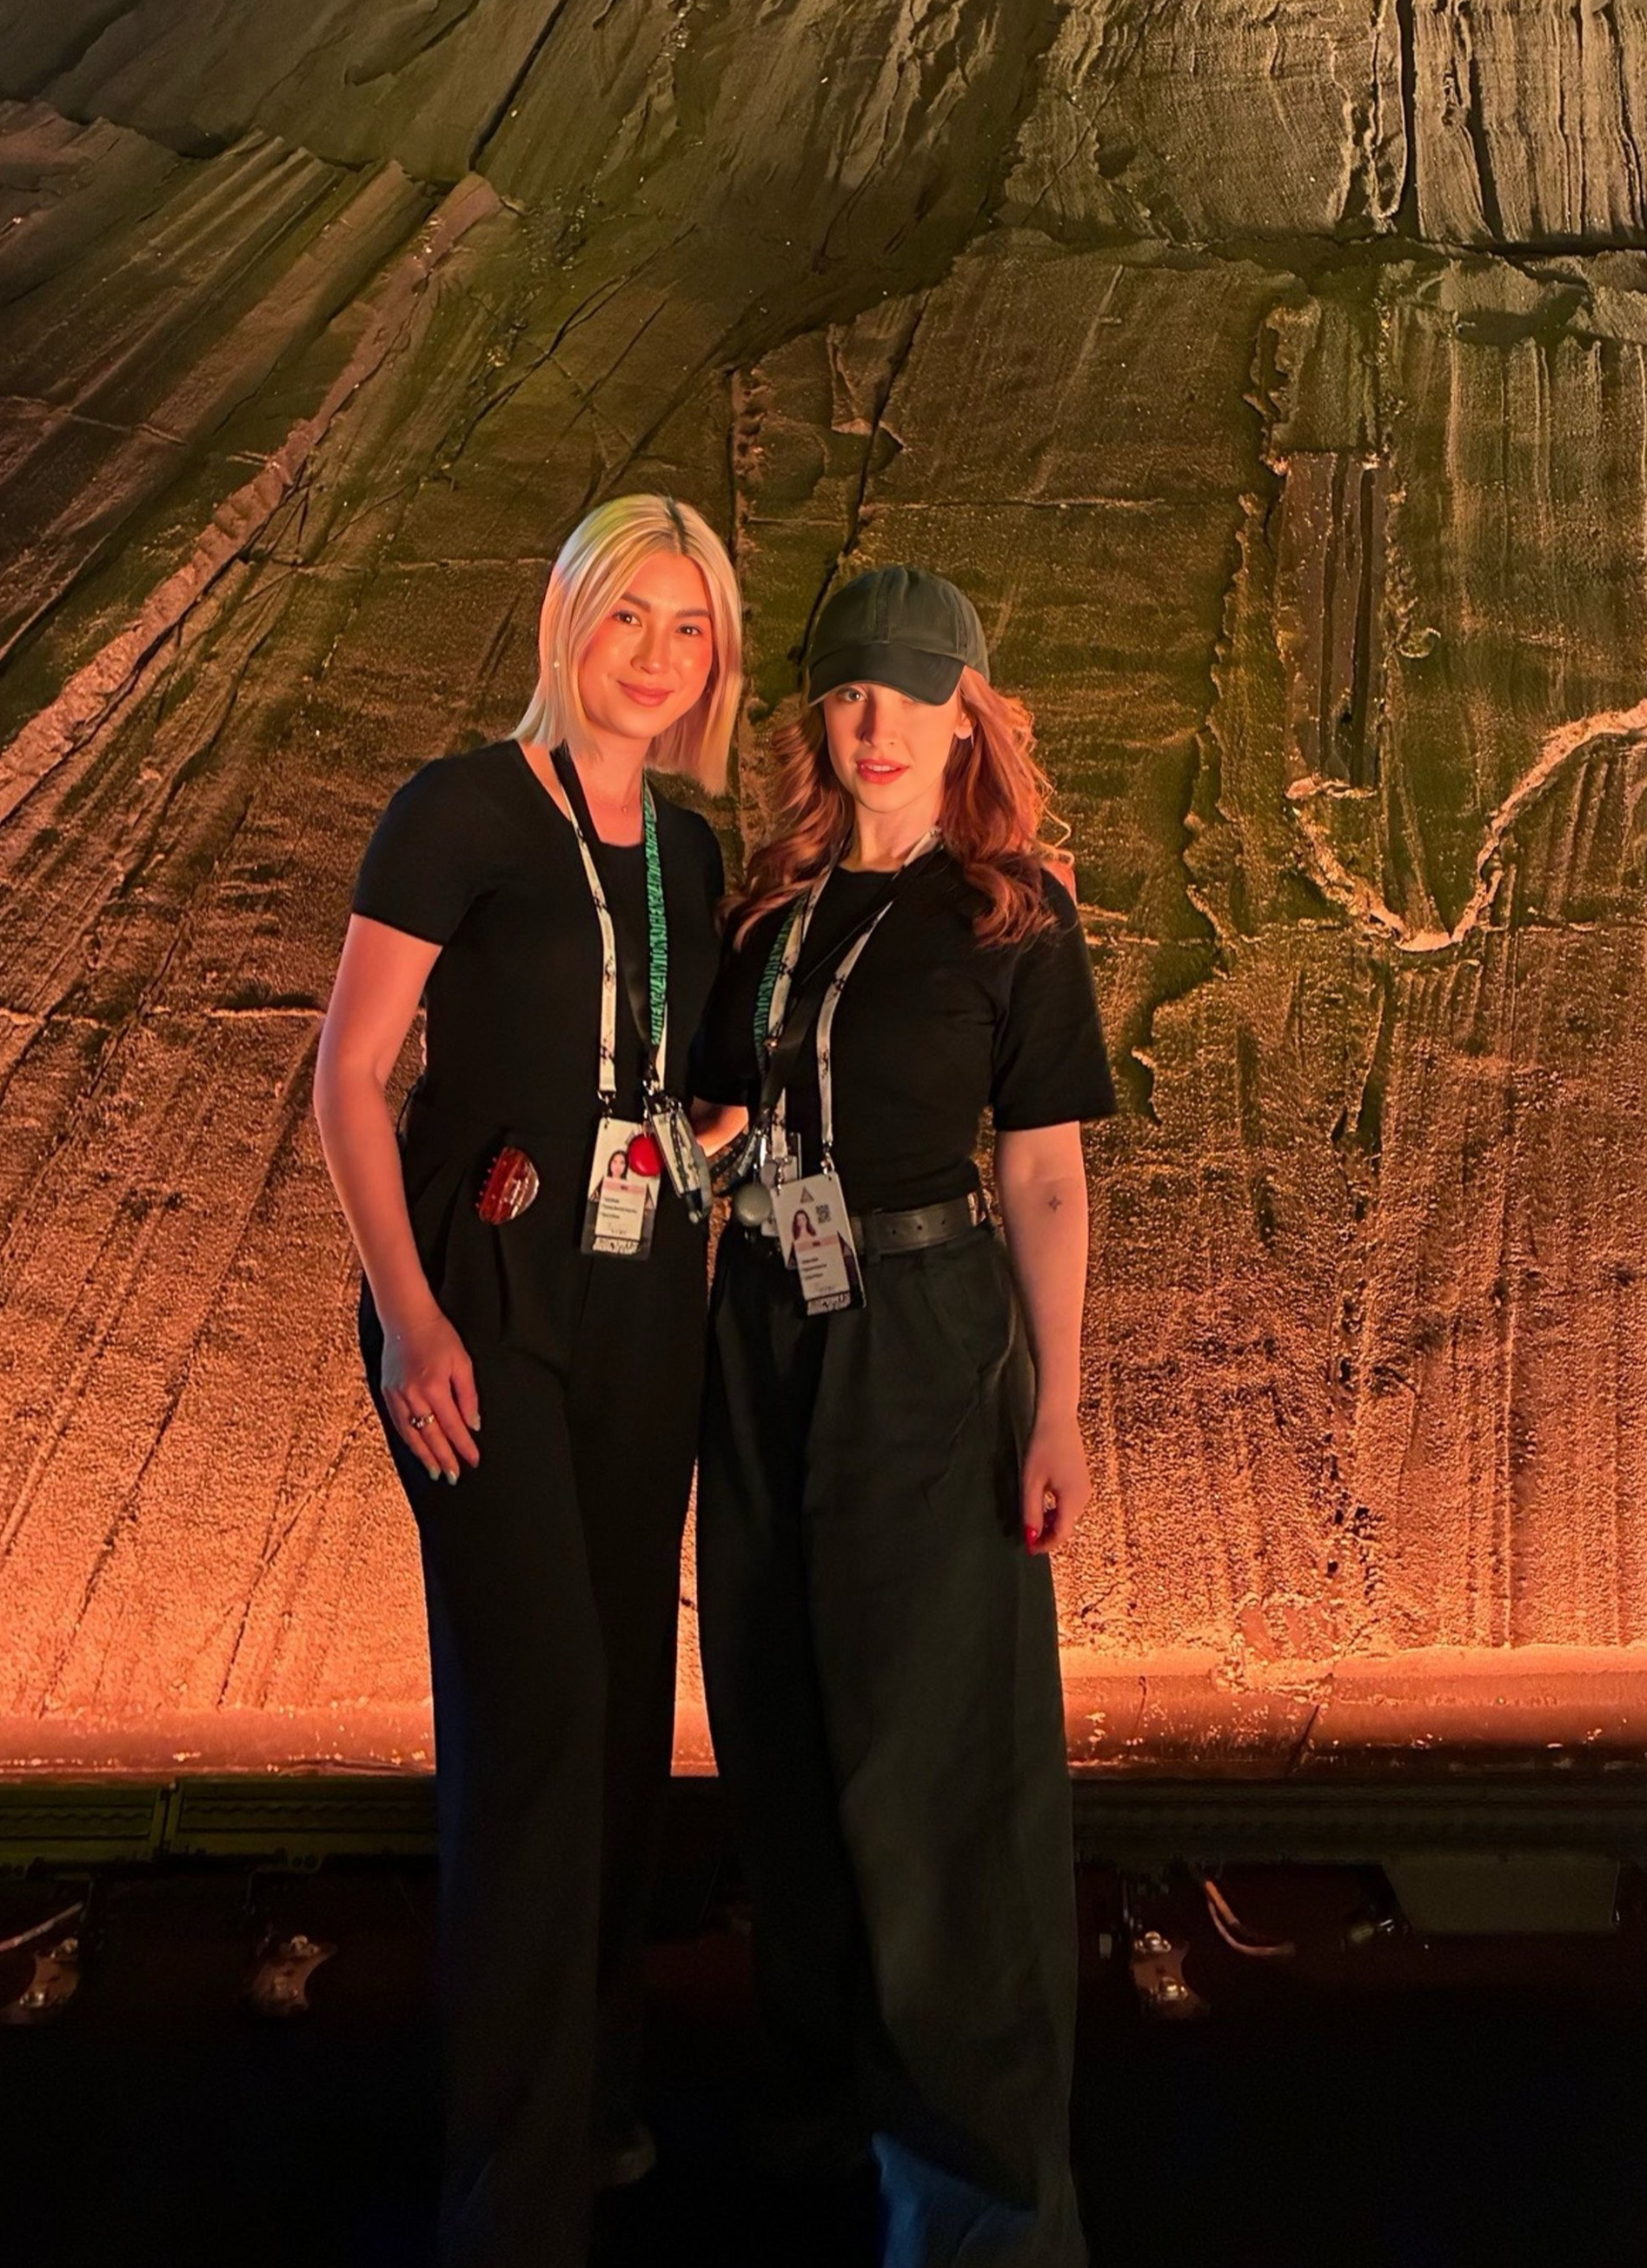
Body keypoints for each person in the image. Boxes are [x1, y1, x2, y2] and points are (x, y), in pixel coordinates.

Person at [312, 493, 743, 2268]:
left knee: (626, 1714)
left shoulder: (696, 850)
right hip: (477, 1292)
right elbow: (348, 1078)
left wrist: (709, 1127)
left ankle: (595, 2101)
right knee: (546, 1710)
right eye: (624, 613)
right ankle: (509, 2199)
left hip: (645, 1295)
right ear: (564, 616)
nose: (652, 653)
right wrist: (410, 1317)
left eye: (689, 625)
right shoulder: (463, 810)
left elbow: (675, 1063)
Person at [692, 564, 1116, 2266]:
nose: (875, 727)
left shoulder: (1009, 910)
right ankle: (832, 2137)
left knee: (936, 1759)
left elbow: (1043, 1171)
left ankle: (980, 2204)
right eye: (849, 694)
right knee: (784, 1726)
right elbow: (724, 1111)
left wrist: (1061, 1403)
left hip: (929, 1334)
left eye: (910, 696)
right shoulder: (774, 906)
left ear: (967, 711)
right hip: (763, 1325)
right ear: (820, 715)